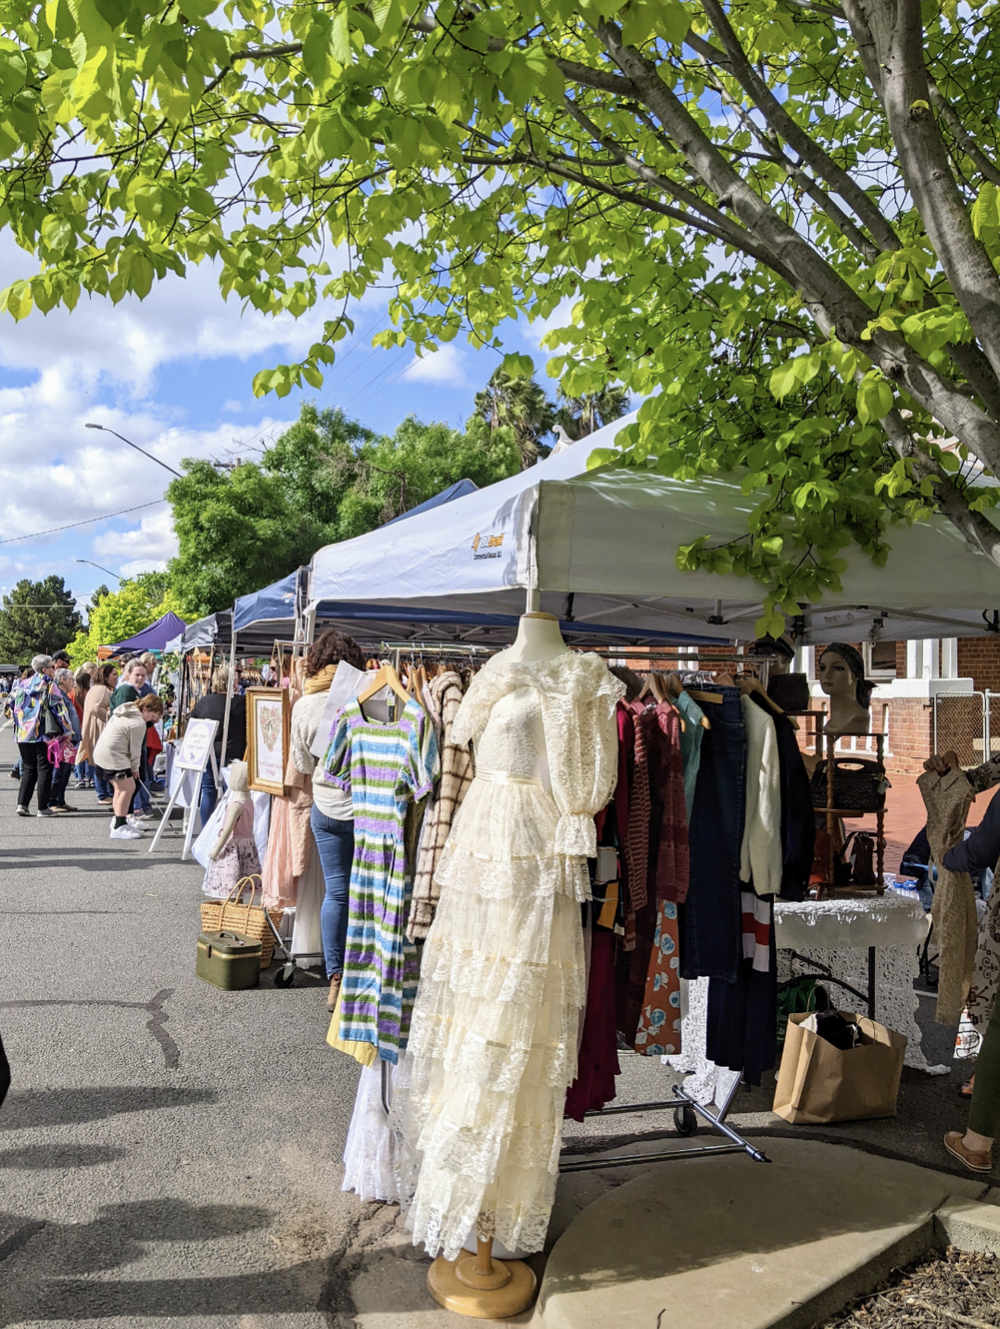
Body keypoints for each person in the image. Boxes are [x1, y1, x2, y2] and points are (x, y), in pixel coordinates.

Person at [290, 630, 365, 1012]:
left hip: (327, 805)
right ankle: (367, 975)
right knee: (370, 891)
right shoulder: (369, 696)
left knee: (337, 892)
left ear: (316, 662)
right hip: (368, 806)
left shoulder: (305, 704)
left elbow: (302, 764)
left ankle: (336, 978)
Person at [11, 654, 75, 817]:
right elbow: (59, 708)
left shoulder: (22, 683)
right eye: (52, 667)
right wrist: (67, 729)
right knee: (45, 769)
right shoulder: (49, 684)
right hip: (42, 733)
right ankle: (42, 808)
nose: (54, 669)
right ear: (45, 670)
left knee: (28, 768)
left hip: (23, 733)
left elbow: (10, 704)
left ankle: (22, 804)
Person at [189, 665, 247, 829]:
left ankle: (206, 829)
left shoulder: (203, 703)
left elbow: (192, 725)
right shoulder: (240, 703)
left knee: (208, 792)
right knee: (233, 793)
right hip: (233, 753)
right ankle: (230, 830)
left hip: (209, 753)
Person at [92, 693, 148, 840]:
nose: (153, 720)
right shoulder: (138, 722)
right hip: (113, 755)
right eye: (154, 716)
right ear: (146, 710)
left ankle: (118, 821)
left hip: (104, 753)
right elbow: (135, 749)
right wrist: (135, 768)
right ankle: (119, 826)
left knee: (120, 788)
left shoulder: (125, 713)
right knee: (127, 788)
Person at [81, 662, 118, 806]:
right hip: (99, 729)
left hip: (99, 728)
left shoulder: (100, 688)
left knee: (102, 762)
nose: (116, 677)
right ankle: (103, 794)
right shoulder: (101, 689)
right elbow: (95, 708)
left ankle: (105, 793)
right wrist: (110, 714)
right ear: (106, 676)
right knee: (102, 763)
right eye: (114, 674)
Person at [48, 667, 82, 813]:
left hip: (69, 740)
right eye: (71, 679)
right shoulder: (58, 694)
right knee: (59, 771)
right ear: (62, 680)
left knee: (66, 771)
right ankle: (53, 801)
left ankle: (60, 800)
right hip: (62, 740)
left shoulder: (64, 695)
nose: (73, 682)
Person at [72, 670, 93, 789]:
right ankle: (91, 777)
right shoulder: (90, 693)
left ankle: (80, 778)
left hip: (76, 726)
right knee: (90, 752)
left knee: (79, 753)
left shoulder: (72, 694)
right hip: (88, 725)